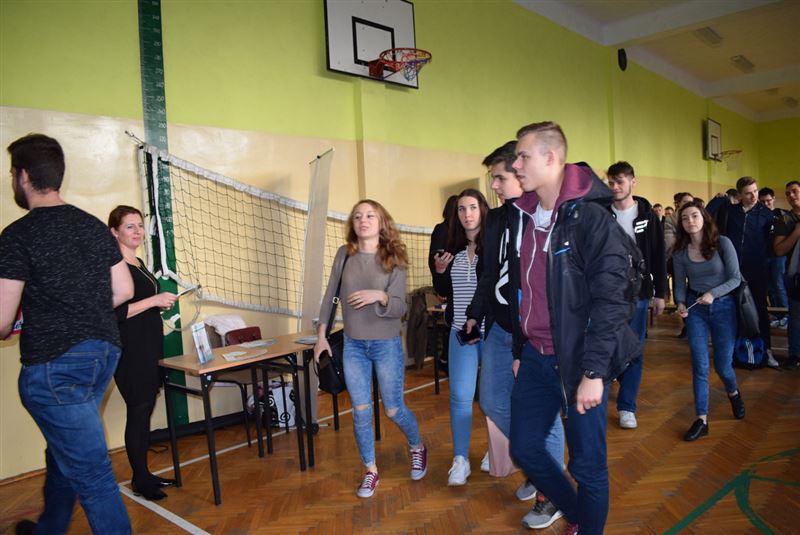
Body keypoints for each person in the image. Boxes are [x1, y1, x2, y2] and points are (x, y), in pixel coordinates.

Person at [507, 121, 639, 535]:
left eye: (523, 156)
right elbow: (525, 290)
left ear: (551, 158)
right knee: (524, 447)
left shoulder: (591, 219)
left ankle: (588, 526)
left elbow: (612, 301)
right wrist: (520, 348)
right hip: (536, 355)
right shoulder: (525, 215)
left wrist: (594, 372)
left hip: (580, 359)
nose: (515, 164)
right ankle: (578, 515)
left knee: (588, 466)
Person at [0, 134, 134, 534]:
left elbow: (2, 320)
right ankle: (49, 528)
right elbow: (124, 290)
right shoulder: (92, 226)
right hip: (103, 355)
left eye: (12, 173)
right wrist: (82, 313)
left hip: (55, 367)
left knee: (92, 475)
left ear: (24, 176)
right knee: (64, 452)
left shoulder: (17, 235)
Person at [464, 142, 565, 528]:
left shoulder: (542, 215)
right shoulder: (495, 220)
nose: (493, 185)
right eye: (492, 178)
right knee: (492, 401)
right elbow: (489, 273)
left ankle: (552, 491)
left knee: (542, 413)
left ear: (521, 173)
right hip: (500, 329)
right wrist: (475, 313)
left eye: (500, 178)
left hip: (536, 334)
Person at [313, 200, 426, 498]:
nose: (363, 220)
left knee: (393, 409)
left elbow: (400, 308)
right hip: (353, 346)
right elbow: (330, 298)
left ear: (381, 222)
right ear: (352, 223)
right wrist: (321, 336)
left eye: (370, 215)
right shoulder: (344, 254)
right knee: (361, 410)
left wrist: (380, 296)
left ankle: (417, 447)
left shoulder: (394, 257)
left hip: (385, 344)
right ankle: (370, 470)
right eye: (357, 216)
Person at [108, 206, 178, 501]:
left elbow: (142, 304)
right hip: (130, 349)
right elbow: (113, 312)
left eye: (139, 225)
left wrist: (158, 304)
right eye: (129, 226)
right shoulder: (113, 266)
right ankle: (140, 479)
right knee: (138, 411)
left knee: (145, 409)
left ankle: (144, 474)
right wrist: (152, 302)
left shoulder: (137, 262)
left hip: (148, 346)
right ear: (114, 232)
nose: (137, 231)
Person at [672, 201, 746, 441]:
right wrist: (680, 303)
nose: (690, 221)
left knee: (723, 366)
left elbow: (735, 278)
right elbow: (680, 285)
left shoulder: (722, 243)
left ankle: (733, 393)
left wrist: (713, 294)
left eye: (694, 216)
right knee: (700, 365)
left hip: (723, 308)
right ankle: (702, 419)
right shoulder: (680, 252)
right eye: (685, 218)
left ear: (704, 217)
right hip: (696, 310)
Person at [432, 188, 489, 486]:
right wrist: (440, 271)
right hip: (459, 332)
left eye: (473, 207)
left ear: (482, 210)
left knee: (493, 399)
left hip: (492, 333)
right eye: (462, 209)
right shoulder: (452, 249)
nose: (467, 214)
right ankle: (460, 459)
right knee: (460, 397)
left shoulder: (494, 246)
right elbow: (442, 290)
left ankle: (496, 449)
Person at [606, 161, 668, 430]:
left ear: (633, 182)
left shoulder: (647, 214)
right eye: (611, 182)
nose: (615, 187)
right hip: (607, 295)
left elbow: (657, 254)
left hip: (639, 294)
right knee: (607, 346)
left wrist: (660, 293)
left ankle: (627, 406)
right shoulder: (602, 212)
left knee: (635, 349)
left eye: (620, 181)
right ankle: (607, 388)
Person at [718, 177, 779, 368]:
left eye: (755, 191)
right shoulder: (729, 212)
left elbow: (770, 246)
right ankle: (733, 352)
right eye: (748, 193)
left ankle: (766, 350)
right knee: (732, 310)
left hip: (757, 271)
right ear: (739, 195)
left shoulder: (767, 215)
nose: (753, 196)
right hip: (732, 270)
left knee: (760, 310)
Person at [772, 181, 800, 370]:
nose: (791, 196)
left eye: (795, 191)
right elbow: (779, 250)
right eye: (788, 193)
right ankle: (795, 355)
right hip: (796, 276)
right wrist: (797, 232)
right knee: (796, 318)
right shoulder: (785, 221)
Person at [759, 187, 789, 329]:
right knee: (769, 286)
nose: (766, 204)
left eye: (768, 200)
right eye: (763, 201)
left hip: (779, 256)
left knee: (778, 283)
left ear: (773, 199)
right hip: (763, 256)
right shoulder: (758, 216)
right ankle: (777, 315)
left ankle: (786, 315)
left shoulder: (781, 214)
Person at [428, 195, 458, 277]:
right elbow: (434, 257)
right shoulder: (441, 229)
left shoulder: (462, 231)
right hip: (445, 277)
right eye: (461, 209)